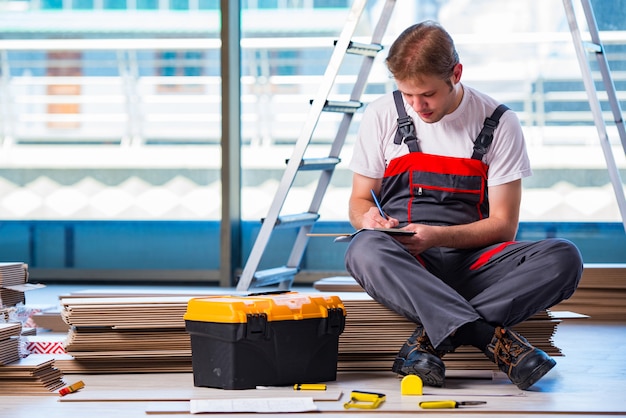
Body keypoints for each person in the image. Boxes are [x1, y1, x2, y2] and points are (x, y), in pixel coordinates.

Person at [344, 20, 583, 391]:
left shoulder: (499, 122)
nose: (416, 106)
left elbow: (504, 226)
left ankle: (431, 339)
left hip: (474, 262)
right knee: (363, 247)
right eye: (407, 95)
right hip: (408, 261)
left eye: (427, 94)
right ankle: (493, 340)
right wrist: (369, 218)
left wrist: (437, 236)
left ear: (456, 73)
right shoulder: (380, 114)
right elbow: (359, 201)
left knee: (564, 258)